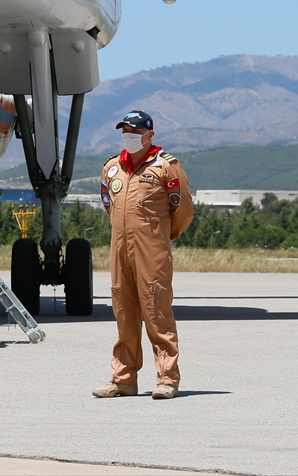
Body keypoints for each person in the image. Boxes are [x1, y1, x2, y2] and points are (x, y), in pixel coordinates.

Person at [92, 110, 194, 400]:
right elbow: (108, 205)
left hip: (152, 249)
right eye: (125, 131)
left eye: (135, 132)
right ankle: (123, 379)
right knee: (123, 311)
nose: (130, 137)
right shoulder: (112, 168)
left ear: (150, 135)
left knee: (156, 311)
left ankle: (167, 379)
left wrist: (160, 237)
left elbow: (183, 209)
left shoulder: (167, 167)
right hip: (120, 247)